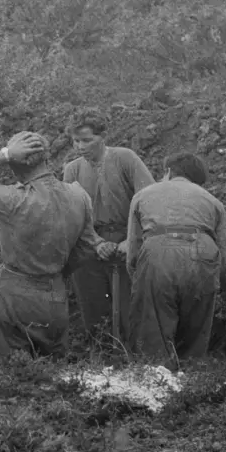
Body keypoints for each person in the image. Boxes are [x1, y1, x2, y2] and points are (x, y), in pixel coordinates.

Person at [0, 131, 111, 361]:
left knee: (12, 373)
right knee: (54, 371)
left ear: (15, 164)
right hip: (55, 295)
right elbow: (87, 247)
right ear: (46, 159)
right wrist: (57, 273)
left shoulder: (15, 199)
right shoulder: (79, 195)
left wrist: (3, 154)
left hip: (16, 294)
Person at [124, 152, 226, 369]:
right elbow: (223, 248)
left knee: (153, 324)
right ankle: (191, 379)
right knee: (196, 325)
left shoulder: (144, 195)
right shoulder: (213, 201)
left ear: (169, 171)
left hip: (158, 249)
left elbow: (133, 245)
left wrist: (137, 276)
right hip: (203, 252)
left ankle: (156, 378)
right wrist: (219, 279)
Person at [63, 109, 155, 341]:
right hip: (89, 245)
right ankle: (102, 359)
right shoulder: (72, 170)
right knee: (93, 308)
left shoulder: (125, 158)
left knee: (131, 307)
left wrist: (130, 241)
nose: (80, 147)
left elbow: (149, 200)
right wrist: (96, 243)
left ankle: (135, 361)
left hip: (128, 241)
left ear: (102, 136)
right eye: (75, 141)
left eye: (86, 140)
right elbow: (71, 216)